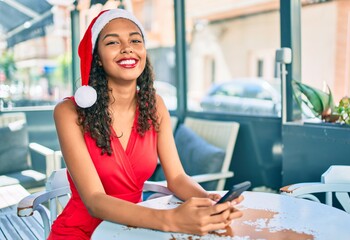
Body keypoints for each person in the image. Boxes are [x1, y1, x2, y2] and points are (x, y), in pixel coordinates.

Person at [49, 8, 244, 239]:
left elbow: (177, 178)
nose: (127, 48)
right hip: (81, 232)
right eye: (113, 42)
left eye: (135, 40)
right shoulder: (69, 112)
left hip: (134, 230)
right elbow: (94, 201)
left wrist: (207, 201)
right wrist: (172, 220)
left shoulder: (155, 105)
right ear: (97, 58)